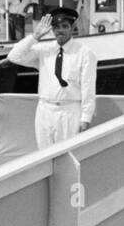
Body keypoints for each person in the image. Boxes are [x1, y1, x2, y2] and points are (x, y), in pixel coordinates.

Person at [6, 8, 96, 150]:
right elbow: (13, 56)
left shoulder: (84, 53)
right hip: (45, 110)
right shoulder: (43, 50)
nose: (60, 31)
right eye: (56, 27)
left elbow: (88, 88)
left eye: (65, 26)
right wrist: (35, 36)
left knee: (67, 156)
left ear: (72, 28)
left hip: (69, 111)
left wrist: (86, 118)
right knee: (44, 157)